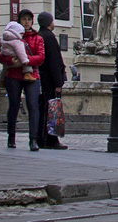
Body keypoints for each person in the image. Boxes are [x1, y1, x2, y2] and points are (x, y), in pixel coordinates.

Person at [0, 8, 44, 151]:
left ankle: (33, 139)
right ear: (19, 21)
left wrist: (26, 61)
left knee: (33, 106)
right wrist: (11, 60)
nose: (27, 22)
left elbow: (41, 57)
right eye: (24, 19)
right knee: (14, 106)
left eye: (29, 19)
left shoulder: (37, 37)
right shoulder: (11, 36)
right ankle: (11, 137)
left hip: (31, 75)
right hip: (13, 75)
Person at [35, 11, 68, 149]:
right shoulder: (49, 37)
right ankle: (51, 139)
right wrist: (58, 83)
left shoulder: (39, 36)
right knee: (52, 111)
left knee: (42, 109)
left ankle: (40, 138)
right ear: (49, 22)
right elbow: (54, 62)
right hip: (49, 80)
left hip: (41, 79)